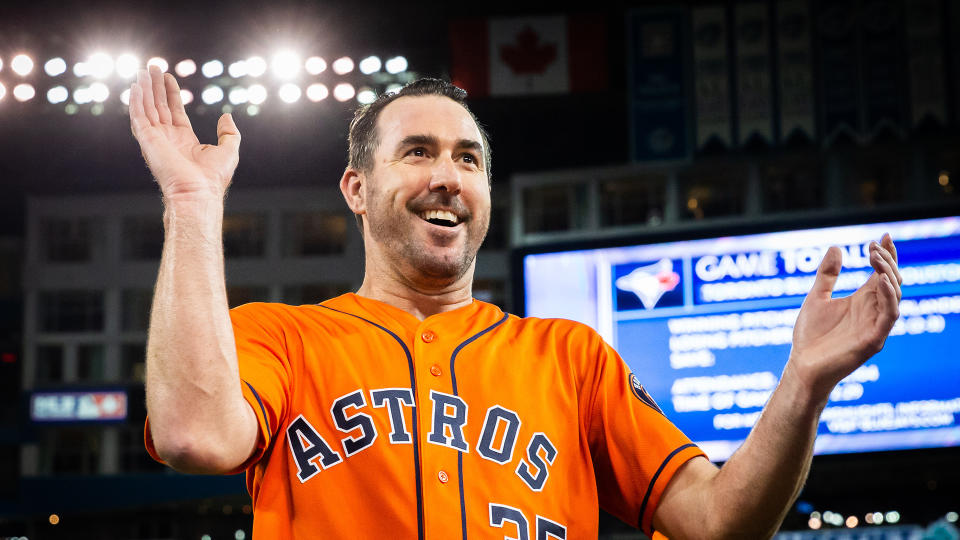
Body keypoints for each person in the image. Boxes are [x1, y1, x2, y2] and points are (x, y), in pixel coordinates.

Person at [129, 65, 903, 539]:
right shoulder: (280, 339)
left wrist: (803, 384)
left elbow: (718, 521)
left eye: (468, 159)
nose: (448, 175)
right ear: (357, 190)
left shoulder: (571, 359)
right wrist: (193, 200)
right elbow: (196, 435)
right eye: (418, 152)